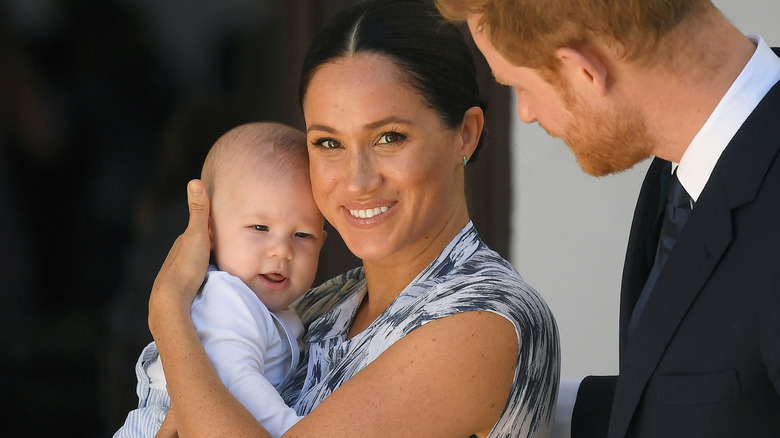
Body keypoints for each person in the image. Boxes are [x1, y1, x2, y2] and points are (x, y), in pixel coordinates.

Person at [147, 0, 560, 437]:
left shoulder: (484, 319)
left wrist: (169, 310)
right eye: (328, 143)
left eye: (389, 137)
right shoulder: (320, 305)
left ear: (466, 134)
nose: (358, 180)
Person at [435, 0, 780, 437]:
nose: (527, 112)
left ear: (584, 71)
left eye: (520, 86)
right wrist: (504, 399)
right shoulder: (686, 163)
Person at [114, 121, 327, 438]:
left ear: (322, 242)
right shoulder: (227, 299)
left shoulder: (271, 306)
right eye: (259, 228)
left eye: (302, 235)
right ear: (209, 232)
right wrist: (294, 430)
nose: (282, 250)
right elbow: (236, 381)